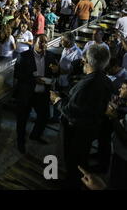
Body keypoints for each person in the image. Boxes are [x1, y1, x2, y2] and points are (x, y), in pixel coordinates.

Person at [50, 44, 113, 189]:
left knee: (73, 161)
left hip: (76, 131)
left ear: (88, 62)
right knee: (81, 158)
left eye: (83, 60)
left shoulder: (87, 85)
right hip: (91, 129)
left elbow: (71, 111)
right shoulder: (106, 81)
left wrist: (56, 100)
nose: (82, 63)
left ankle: (72, 183)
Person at [14, 34, 56, 154]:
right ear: (34, 43)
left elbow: (55, 74)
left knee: (44, 116)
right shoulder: (24, 56)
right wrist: (33, 79)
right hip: (27, 94)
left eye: (46, 42)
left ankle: (35, 135)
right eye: (41, 42)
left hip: (42, 94)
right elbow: (17, 74)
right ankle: (20, 141)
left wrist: (56, 71)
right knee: (22, 119)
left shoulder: (51, 56)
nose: (43, 45)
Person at [105, 81, 127, 189]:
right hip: (118, 151)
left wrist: (114, 117)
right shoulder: (120, 100)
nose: (119, 90)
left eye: (123, 88)